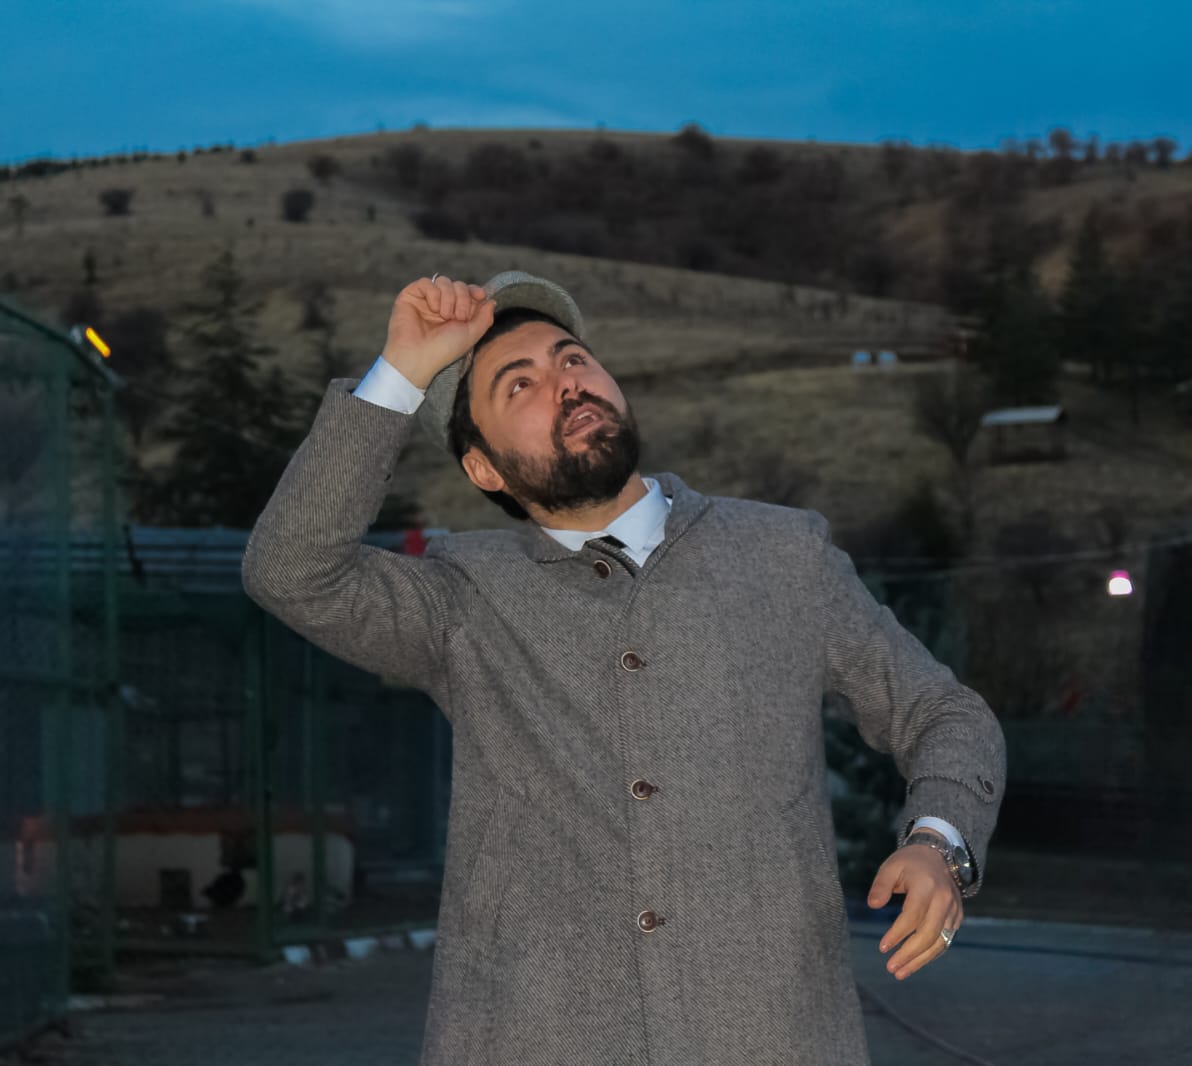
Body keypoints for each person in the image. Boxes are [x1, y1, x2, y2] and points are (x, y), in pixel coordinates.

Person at [242, 271, 1006, 1066]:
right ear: (484, 469)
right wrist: (401, 370)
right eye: (519, 384)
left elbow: (940, 713)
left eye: (571, 357)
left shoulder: (783, 554)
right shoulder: (458, 596)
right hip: (528, 1041)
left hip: (771, 1036)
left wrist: (939, 842)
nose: (564, 382)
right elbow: (289, 570)